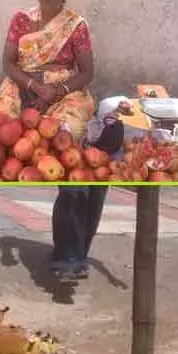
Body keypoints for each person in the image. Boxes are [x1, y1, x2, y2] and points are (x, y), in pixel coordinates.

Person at [0, 0, 96, 142]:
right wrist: (36, 87)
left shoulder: (76, 25)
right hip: (23, 82)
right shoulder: (21, 20)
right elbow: (8, 63)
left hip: (61, 87)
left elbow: (87, 72)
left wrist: (57, 91)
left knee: (68, 133)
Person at [50, 100, 125, 280]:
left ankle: (78, 255)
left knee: (94, 200)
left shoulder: (114, 121)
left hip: (100, 160)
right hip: (69, 146)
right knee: (73, 195)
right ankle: (66, 258)